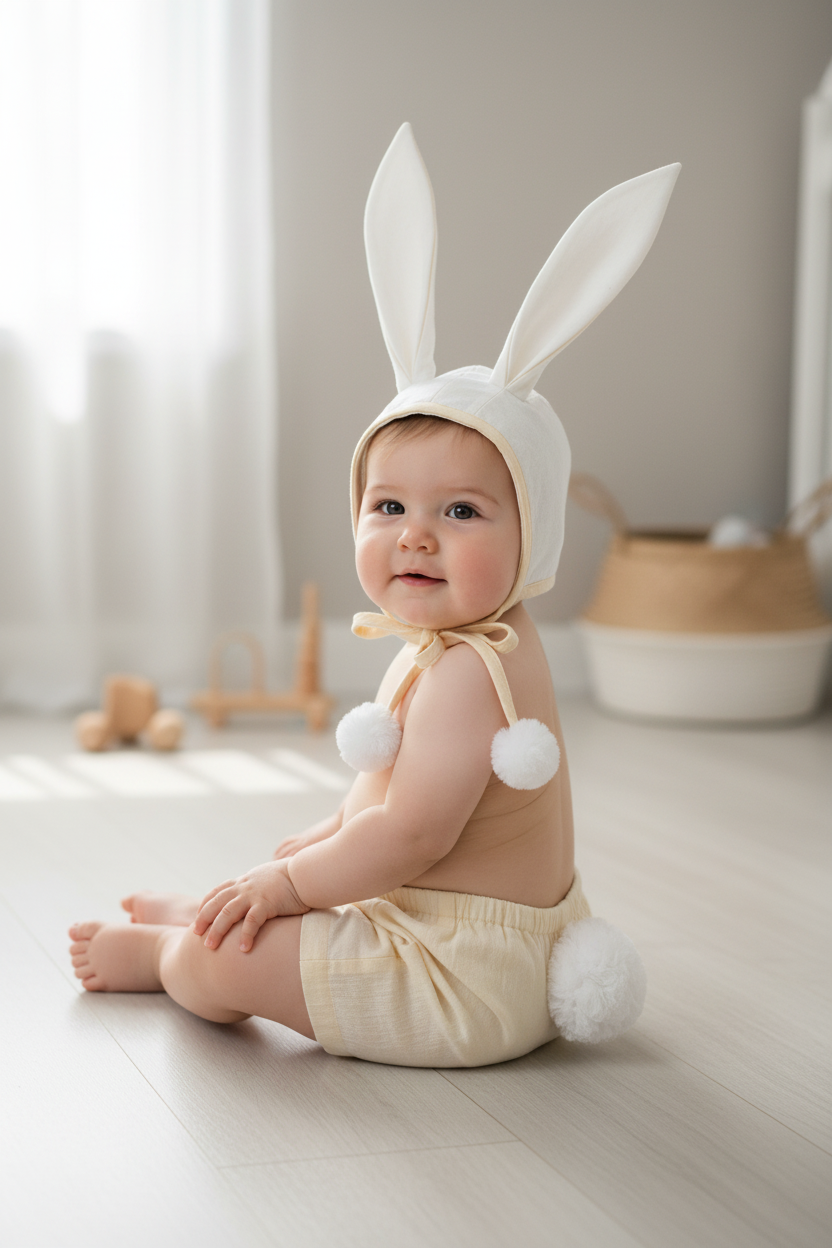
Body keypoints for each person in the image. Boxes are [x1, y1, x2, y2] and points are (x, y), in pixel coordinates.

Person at [69, 124, 678, 1064]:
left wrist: (290, 888)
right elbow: (382, 811)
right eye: (388, 504)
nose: (415, 535)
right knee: (284, 876)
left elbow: (411, 831)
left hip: (462, 978)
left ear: (534, 539)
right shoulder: (456, 642)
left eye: (463, 511)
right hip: (441, 919)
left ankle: (172, 952)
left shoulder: (476, 673)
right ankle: (215, 911)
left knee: (224, 959)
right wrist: (306, 853)